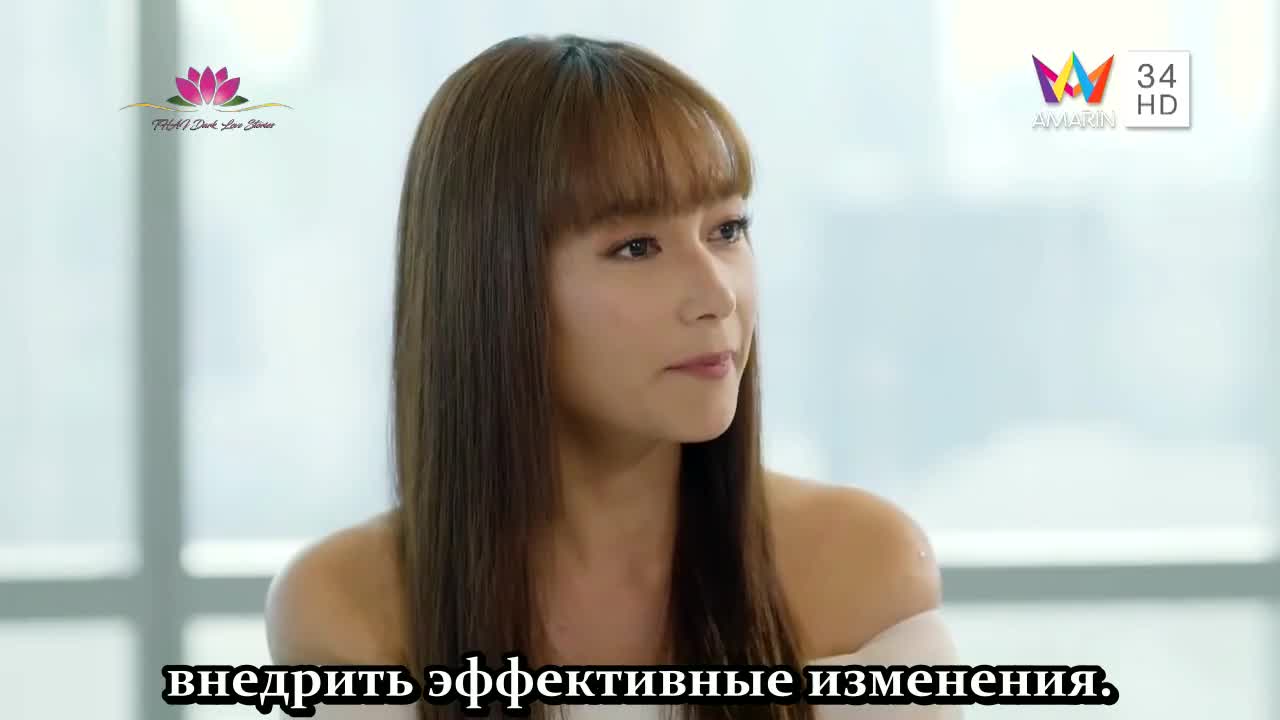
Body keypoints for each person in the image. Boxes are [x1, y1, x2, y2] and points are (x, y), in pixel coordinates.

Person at [264, 33, 961, 720]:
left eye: (727, 230)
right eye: (636, 247)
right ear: (493, 287)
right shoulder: (346, 607)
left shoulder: (861, 568)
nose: (716, 294)